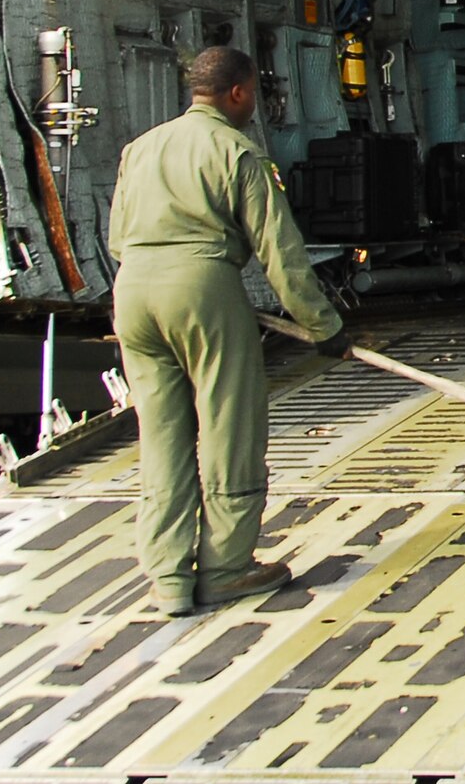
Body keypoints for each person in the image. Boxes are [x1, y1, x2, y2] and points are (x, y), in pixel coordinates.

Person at [109, 45, 349, 618]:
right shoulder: (237, 152)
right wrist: (325, 327)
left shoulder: (139, 149)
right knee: (228, 427)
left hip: (133, 293)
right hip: (200, 289)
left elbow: (117, 238)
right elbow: (281, 255)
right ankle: (226, 567)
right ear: (238, 92)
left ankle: (167, 578)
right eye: (253, 96)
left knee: (162, 435)